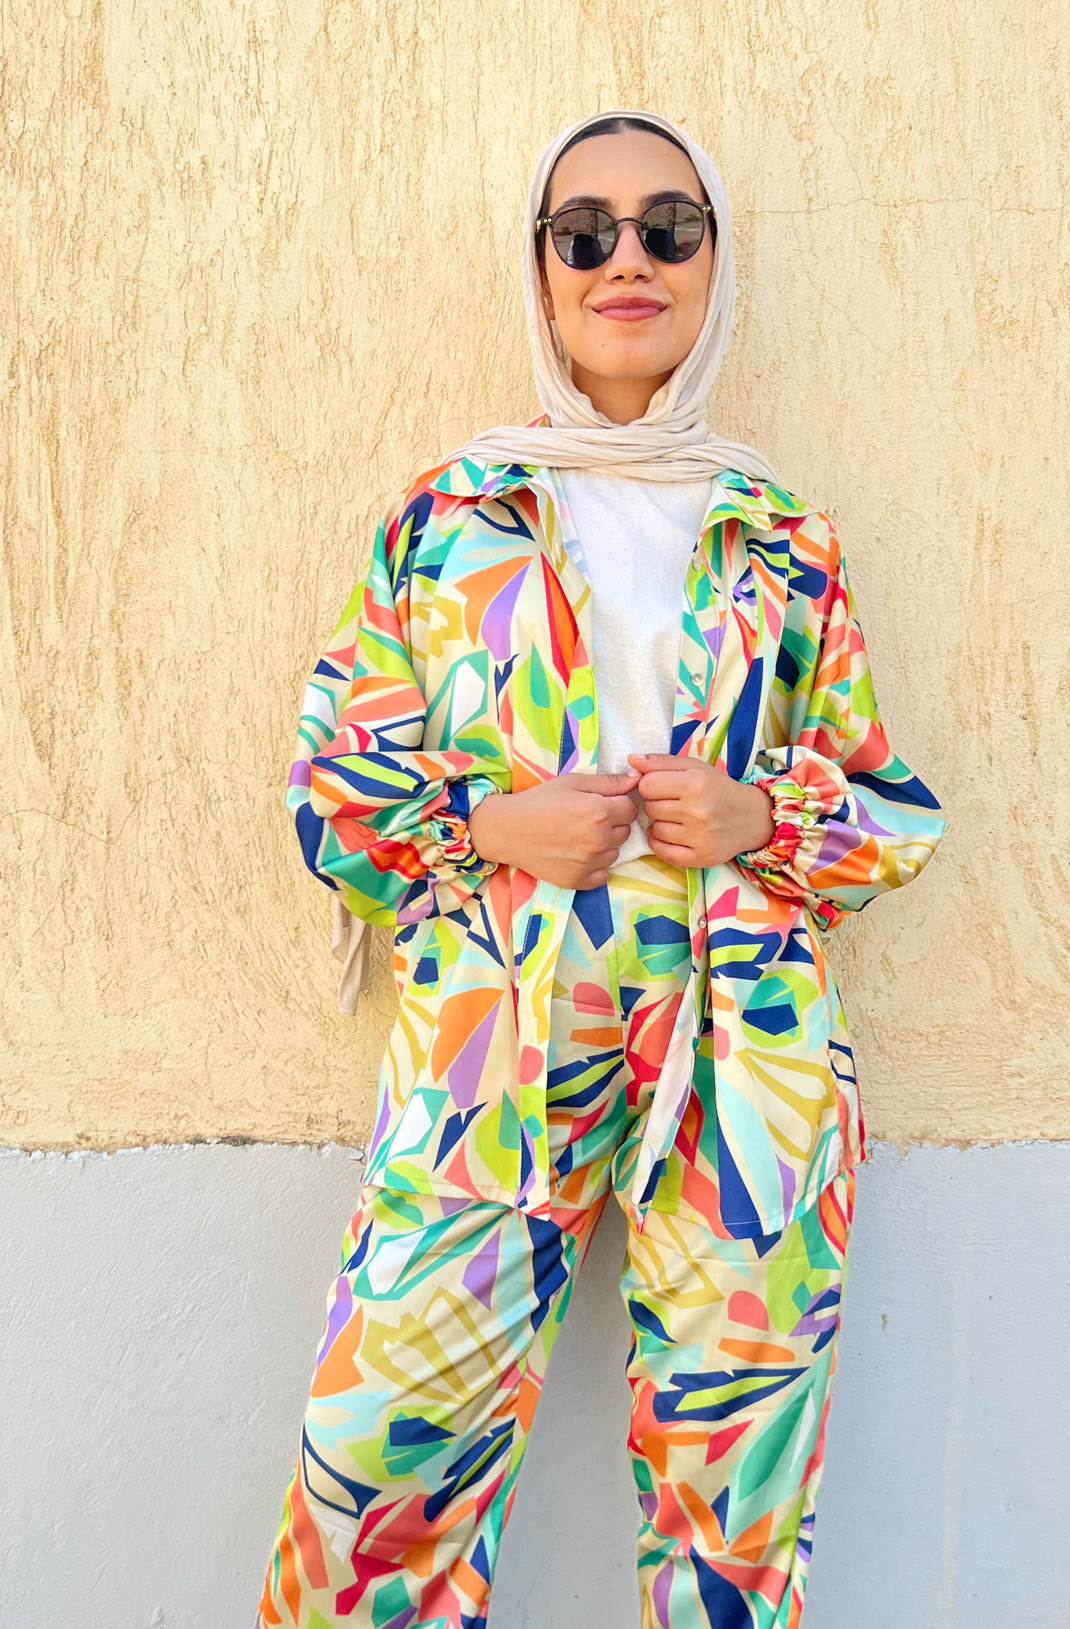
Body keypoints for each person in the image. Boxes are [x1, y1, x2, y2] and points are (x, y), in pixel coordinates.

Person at [258, 109, 944, 1629]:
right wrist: (490, 822)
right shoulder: (453, 516)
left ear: (712, 263)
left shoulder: (783, 535)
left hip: (745, 1050)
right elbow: (328, 789)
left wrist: (760, 818)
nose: (626, 258)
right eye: (585, 232)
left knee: (732, 1527)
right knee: (378, 1469)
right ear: (542, 269)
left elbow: (892, 811)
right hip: (496, 1039)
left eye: (666, 227)